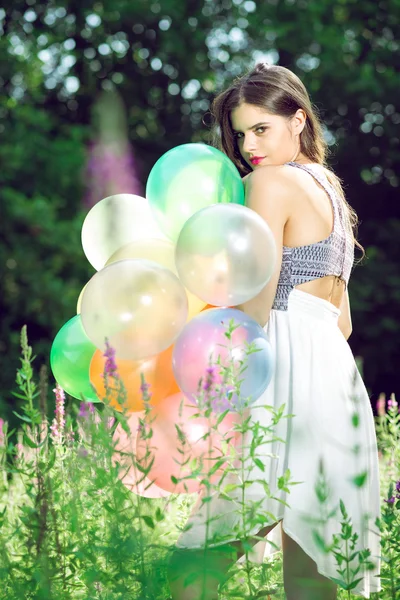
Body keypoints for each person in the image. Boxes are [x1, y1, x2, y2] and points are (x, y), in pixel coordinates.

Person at [167, 63, 382, 600]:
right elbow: (345, 322)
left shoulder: (267, 184)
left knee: (192, 564)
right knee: (311, 574)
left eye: (261, 128)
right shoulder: (331, 190)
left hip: (279, 368)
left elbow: (255, 311)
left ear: (298, 119)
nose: (249, 145)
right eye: (240, 134)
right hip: (334, 379)